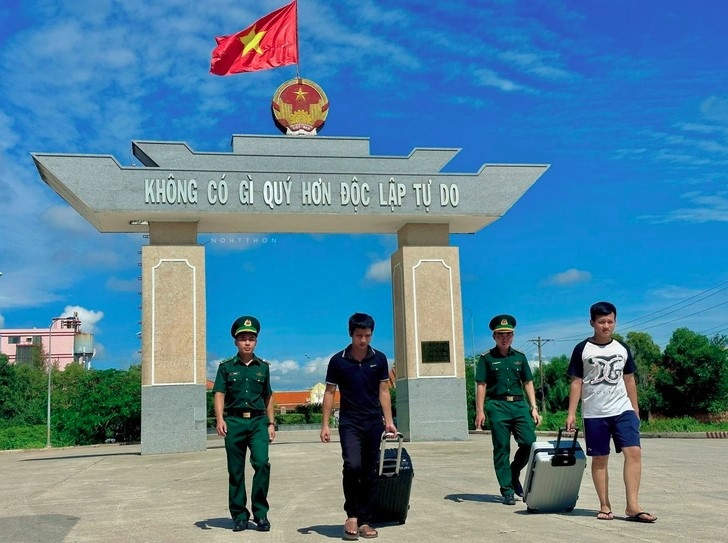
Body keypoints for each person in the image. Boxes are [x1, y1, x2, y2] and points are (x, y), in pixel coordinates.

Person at [566, 301, 657, 523]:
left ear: (615, 322)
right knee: (600, 458)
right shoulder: (582, 349)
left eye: (610, 321)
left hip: (622, 408)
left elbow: (629, 379)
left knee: (634, 452)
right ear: (592, 323)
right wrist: (571, 414)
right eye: (601, 322)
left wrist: (635, 408)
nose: (606, 326)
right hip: (594, 412)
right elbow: (576, 382)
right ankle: (605, 506)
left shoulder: (622, 348)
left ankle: (633, 506)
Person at [320, 312, 397, 540]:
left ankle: (365, 520)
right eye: (359, 335)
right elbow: (330, 392)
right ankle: (351, 515)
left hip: (374, 422)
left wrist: (389, 422)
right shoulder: (338, 361)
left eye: (367, 335)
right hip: (350, 422)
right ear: (350, 334)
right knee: (353, 466)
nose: (363, 340)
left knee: (370, 471)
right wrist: (325, 425)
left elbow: (384, 391)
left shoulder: (380, 359)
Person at [213, 315, 276, 532]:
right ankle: (239, 515)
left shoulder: (263, 368)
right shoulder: (226, 367)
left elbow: (268, 396)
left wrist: (271, 423)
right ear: (236, 342)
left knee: (261, 464)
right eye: (243, 339)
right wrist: (220, 419)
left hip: (258, 422)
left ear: (256, 341)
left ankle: (260, 514)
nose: (247, 342)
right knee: (236, 470)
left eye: (251, 338)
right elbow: (219, 393)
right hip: (234, 422)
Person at [474, 314, 541, 505]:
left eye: (509, 334)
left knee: (530, 443)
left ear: (513, 336)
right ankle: (507, 490)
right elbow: (481, 384)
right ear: (494, 336)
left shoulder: (520, 357)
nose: (505, 338)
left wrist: (534, 408)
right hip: (497, 406)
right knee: (502, 448)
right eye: (501, 334)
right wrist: (480, 410)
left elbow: (528, 382)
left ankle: (513, 473)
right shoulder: (486, 358)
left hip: (519, 405)